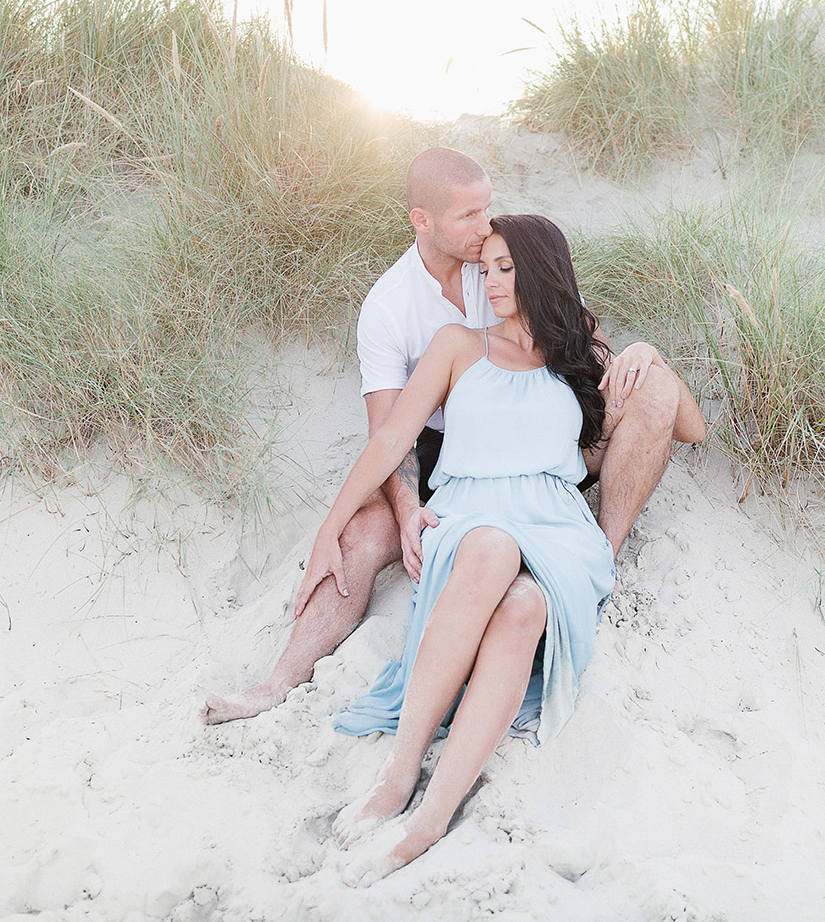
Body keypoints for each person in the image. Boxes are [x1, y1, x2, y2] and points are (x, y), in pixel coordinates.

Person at [199, 148, 704, 725]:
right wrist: (400, 512)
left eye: (487, 209)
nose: (484, 228)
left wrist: (643, 352)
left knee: (655, 389)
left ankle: (598, 562)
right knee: (363, 537)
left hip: (547, 439)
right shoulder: (390, 308)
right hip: (450, 451)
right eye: (468, 215)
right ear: (422, 220)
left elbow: (592, 354)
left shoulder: (506, 260)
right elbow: (390, 436)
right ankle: (275, 683)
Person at [303, 214, 705, 882]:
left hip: (552, 526)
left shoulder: (578, 353)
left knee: (523, 609)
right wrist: (328, 531)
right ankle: (399, 777)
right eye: (484, 268)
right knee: (490, 550)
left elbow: (685, 423)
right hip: (471, 514)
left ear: (541, 271)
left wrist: (647, 353)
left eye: (505, 268)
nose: (489, 281)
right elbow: (390, 439)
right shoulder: (458, 344)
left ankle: (432, 818)